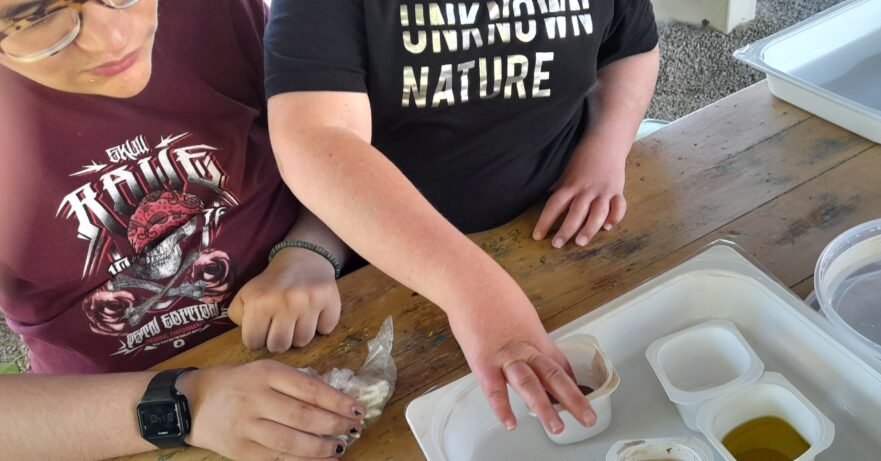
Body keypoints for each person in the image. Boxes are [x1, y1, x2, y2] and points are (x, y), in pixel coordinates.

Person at [263, 0, 660, 436]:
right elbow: (315, 137)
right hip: (398, 262)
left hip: (562, 227)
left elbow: (630, 49)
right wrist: (475, 293)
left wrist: (606, 147)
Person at [0, 1, 368, 459]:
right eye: (37, 16)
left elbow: (344, 146)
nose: (112, 38)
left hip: (321, 333)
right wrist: (185, 404)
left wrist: (311, 250)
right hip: (112, 423)